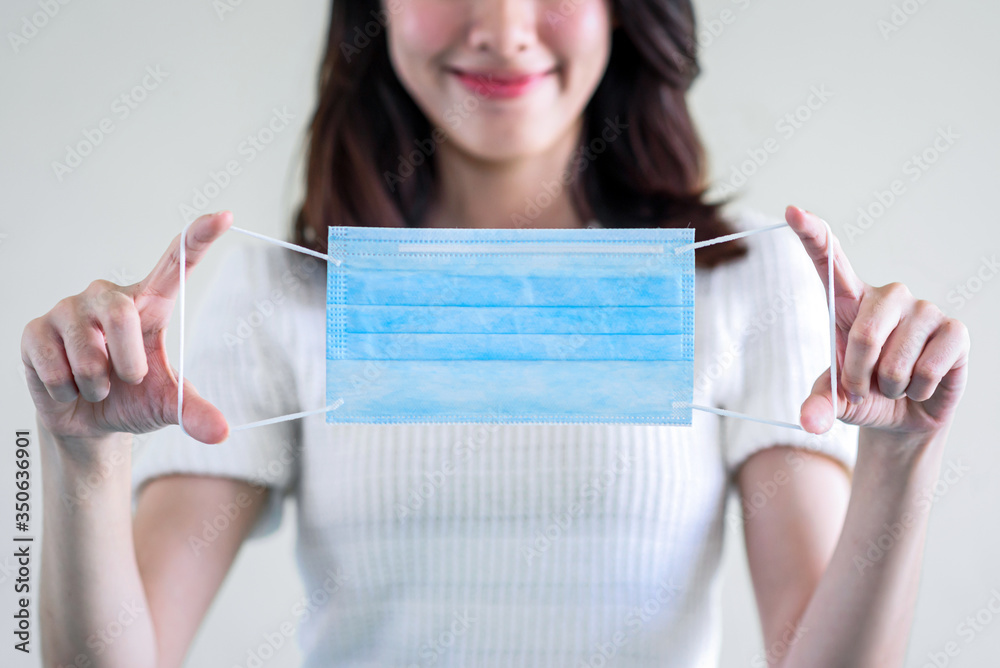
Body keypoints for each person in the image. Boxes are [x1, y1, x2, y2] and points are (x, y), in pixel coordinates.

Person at [24, 1, 970, 666]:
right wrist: (80, 461)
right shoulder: (286, 286)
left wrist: (899, 460)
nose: (504, 25)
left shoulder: (741, 276)